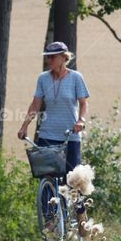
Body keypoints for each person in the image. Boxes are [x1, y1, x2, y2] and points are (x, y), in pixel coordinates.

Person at [17, 41, 90, 180]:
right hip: (47, 135)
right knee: (46, 177)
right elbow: (35, 105)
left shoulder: (76, 77)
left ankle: (71, 202)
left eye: (52, 57)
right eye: (47, 57)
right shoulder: (43, 78)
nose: (49, 60)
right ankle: (47, 201)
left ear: (63, 57)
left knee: (72, 179)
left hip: (70, 136)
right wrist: (24, 126)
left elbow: (84, 103)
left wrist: (81, 120)